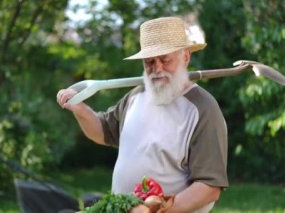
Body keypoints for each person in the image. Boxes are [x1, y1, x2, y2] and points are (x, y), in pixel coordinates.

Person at [56, 16, 228, 213]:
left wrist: (159, 211)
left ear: (186, 57)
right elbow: (103, 131)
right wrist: (80, 109)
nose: (157, 69)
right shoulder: (136, 96)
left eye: (165, 60)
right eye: (149, 62)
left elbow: (209, 187)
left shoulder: (203, 108)